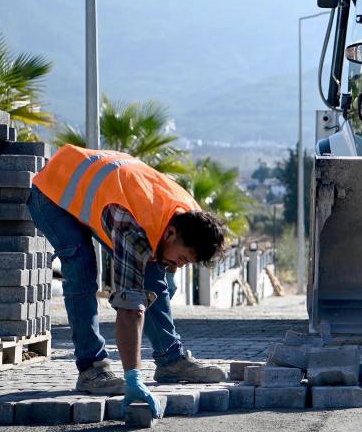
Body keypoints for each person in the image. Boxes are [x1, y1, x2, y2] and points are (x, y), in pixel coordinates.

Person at [27, 144, 229, 417]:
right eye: (181, 259)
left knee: (155, 273)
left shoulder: (190, 217)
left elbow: (157, 282)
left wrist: (165, 275)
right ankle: (91, 369)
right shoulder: (132, 227)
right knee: (82, 269)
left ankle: (171, 360)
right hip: (53, 192)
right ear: (170, 234)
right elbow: (130, 307)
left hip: (107, 189)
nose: (179, 267)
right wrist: (133, 377)